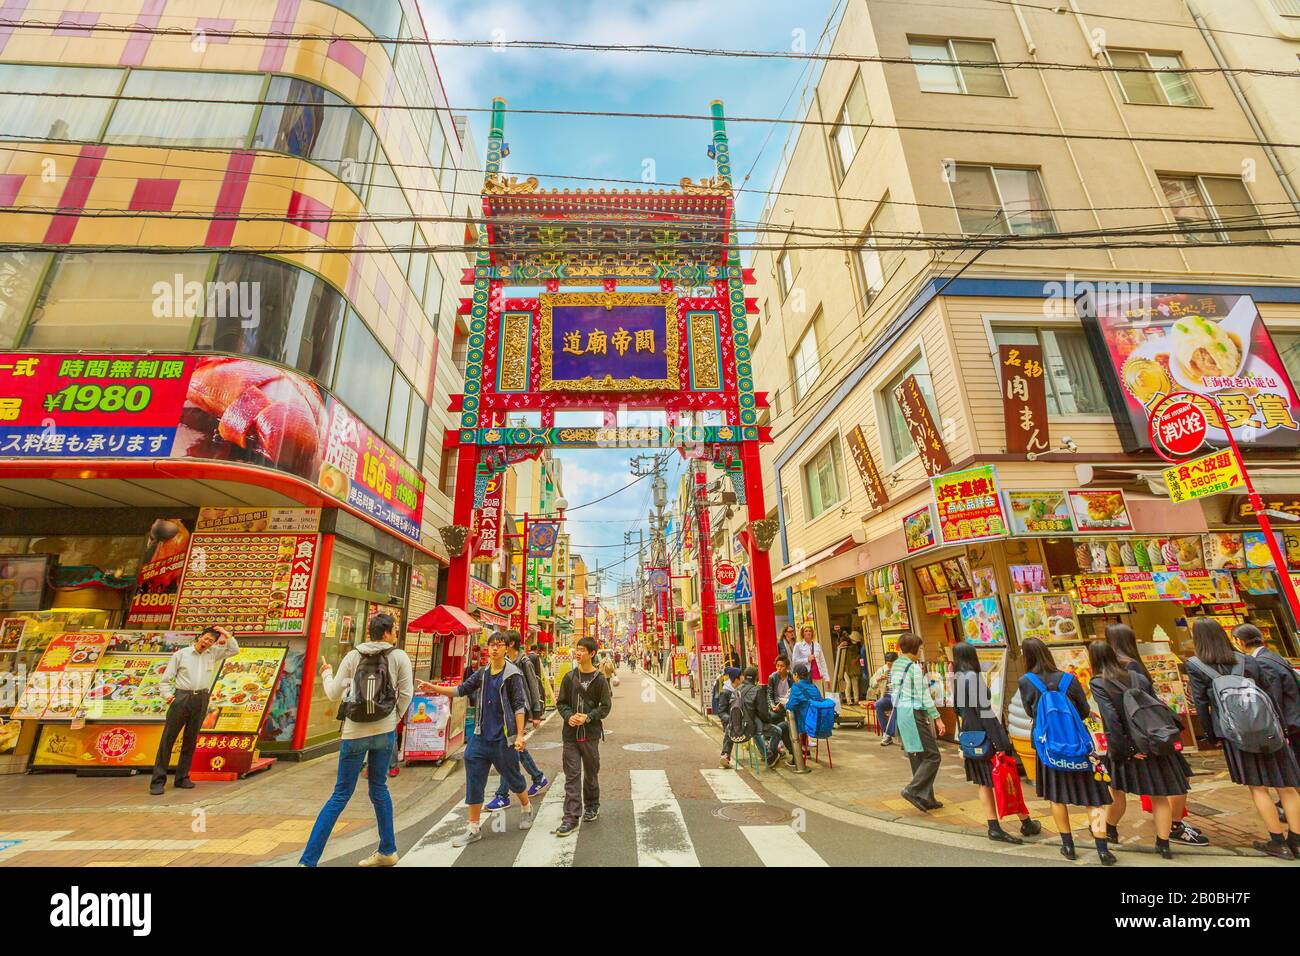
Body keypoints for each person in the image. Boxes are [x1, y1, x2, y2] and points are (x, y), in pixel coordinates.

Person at [300, 613, 412, 867]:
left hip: (354, 732)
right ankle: (387, 849)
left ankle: (308, 861)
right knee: (379, 788)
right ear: (385, 633)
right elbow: (406, 694)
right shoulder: (399, 656)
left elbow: (332, 694)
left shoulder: (353, 656)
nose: (396, 633)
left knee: (340, 794)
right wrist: (393, 720)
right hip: (384, 732)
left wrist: (327, 673)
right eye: (394, 629)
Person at [1187, 619, 1300, 860]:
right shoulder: (1247, 660)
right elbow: (1269, 696)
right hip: (1268, 728)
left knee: (1258, 787)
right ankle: (1297, 841)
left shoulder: (1196, 665)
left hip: (1234, 733)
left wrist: (1210, 734)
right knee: (1287, 786)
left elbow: (1201, 703)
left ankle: (1277, 841)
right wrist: (1280, 727)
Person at [421, 631, 534, 848]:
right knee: (474, 780)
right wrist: (433, 688)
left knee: (513, 777)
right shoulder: (482, 673)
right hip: (480, 737)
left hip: (503, 738)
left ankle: (526, 807)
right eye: (491, 645)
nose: (494, 648)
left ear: (505, 648)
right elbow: (461, 689)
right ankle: (473, 827)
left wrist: (520, 735)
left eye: (498, 645)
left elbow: (519, 705)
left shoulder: (512, 674)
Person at [1105, 623, 1208, 847]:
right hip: (1151, 736)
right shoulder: (1134, 667)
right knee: (1168, 785)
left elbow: (1114, 714)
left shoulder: (1114, 671)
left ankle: (1114, 830)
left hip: (1140, 739)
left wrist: (1122, 746)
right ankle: (1171, 829)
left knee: (1128, 788)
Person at [1089, 640, 1190, 860]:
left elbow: (1112, 720)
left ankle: (1110, 829)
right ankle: (1163, 845)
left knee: (1116, 793)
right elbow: (1157, 707)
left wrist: (1125, 749)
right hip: (1154, 742)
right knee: (1159, 795)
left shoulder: (1098, 683)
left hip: (1127, 746)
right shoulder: (1139, 678)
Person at [1018, 637, 1114, 864]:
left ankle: (1068, 845)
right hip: (1078, 747)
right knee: (1095, 800)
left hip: (1049, 749)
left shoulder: (1026, 681)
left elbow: (1031, 713)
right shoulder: (1068, 678)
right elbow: (1083, 710)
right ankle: (1103, 849)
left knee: (1057, 798)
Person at [952, 642, 1041, 844]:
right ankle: (1024, 821)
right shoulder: (973, 679)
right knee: (1007, 778)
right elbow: (986, 715)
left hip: (970, 738)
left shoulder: (957, 679)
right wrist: (1001, 743)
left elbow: (958, 710)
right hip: (986, 737)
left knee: (985, 782)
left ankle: (997, 825)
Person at [150, 626, 239, 796]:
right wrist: (169, 697)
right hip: (182, 697)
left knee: (190, 740)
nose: (207, 643)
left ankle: (182, 777)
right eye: (205, 639)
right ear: (199, 637)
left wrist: (225, 633)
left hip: (201, 698)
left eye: (211, 641)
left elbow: (234, 649)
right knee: (168, 739)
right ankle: (158, 781)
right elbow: (165, 679)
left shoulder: (213, 654)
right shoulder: (181, 654)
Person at [484, 632, 549, 813]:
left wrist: (536, 712)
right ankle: (537, 777)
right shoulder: (504, 662)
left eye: (502, 642)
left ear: (510, 643)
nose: (497, 646)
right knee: (515, 748)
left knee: (508, 751)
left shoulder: (524, 662)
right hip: (507, 711)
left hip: (520, 710)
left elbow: (533, 686)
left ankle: (502, 795)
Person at [555, 636, 612, 837]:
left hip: (590, 735)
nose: (578, 652)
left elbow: (605, 707)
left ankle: (592, 805)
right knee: (571, 775)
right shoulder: (569, 678)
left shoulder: (600, 680)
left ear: (592, 653)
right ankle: (570, 817)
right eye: (576, 649)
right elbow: (561, 703)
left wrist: (588, 717)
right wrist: (569, 716)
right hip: (570, 735)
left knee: (591, 772)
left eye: (582, 650)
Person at [890, 633, 945, 814]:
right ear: (913, 648)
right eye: (920, 648)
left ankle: (926, 797)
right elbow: (923, 695)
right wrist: (937, 717)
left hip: (902, 713)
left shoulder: (896, 666)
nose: (921, 651)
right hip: (914, 713)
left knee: (917, 755)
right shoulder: (913, 668)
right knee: (933, 755)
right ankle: (913, 791)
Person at [783, 662, 825, 764]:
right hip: (818, 722)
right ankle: (804, 749)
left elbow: (790, 706)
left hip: (806, 724)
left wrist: (788, 698)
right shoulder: (813, 687)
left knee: (784, 727)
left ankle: (795, 757)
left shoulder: (796, 687)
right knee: (802, 713)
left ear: (796, 675)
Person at [869, 652, 899, 746]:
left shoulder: (901, 670)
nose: (889, 666)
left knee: (897, 706)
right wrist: (878, 679)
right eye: (888, 664)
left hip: (900, 696)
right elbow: (872, 685)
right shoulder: (882, 670)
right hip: (888, 697)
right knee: (878, 704)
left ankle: (887, 734)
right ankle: (887, 734)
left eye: (891, 664)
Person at [717, 667, 744, 768]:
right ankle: (725, 755)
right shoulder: (725, 692)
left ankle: (767, 752)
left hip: (742, 719)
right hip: (730, 721)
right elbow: (721, 712)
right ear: (736, 679)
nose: (743, 677)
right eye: (741, 675)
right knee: (731, 727)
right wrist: (731, 719)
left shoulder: (741, 688)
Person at [791, 625, 829, 691]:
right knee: (808, 696)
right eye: (806, 631)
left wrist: (827, 678)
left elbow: (822, 661)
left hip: (817, 675)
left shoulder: (817, 645)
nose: (808, 632)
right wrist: (807, 659)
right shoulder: (798, 645)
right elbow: (794, 661)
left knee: (818, 695)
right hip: (806, 676)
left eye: (810, 631)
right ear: (802, 633)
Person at [837, 630, 862, 705]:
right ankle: (848, 700)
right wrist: (841, 645)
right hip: (845, 667)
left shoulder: (857, 645)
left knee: (855, 683)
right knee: (848, 684)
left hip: (854, 667)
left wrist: (856, 660)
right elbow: (839, 650)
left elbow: (859, 654)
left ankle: (856, 700)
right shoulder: (844, 642)